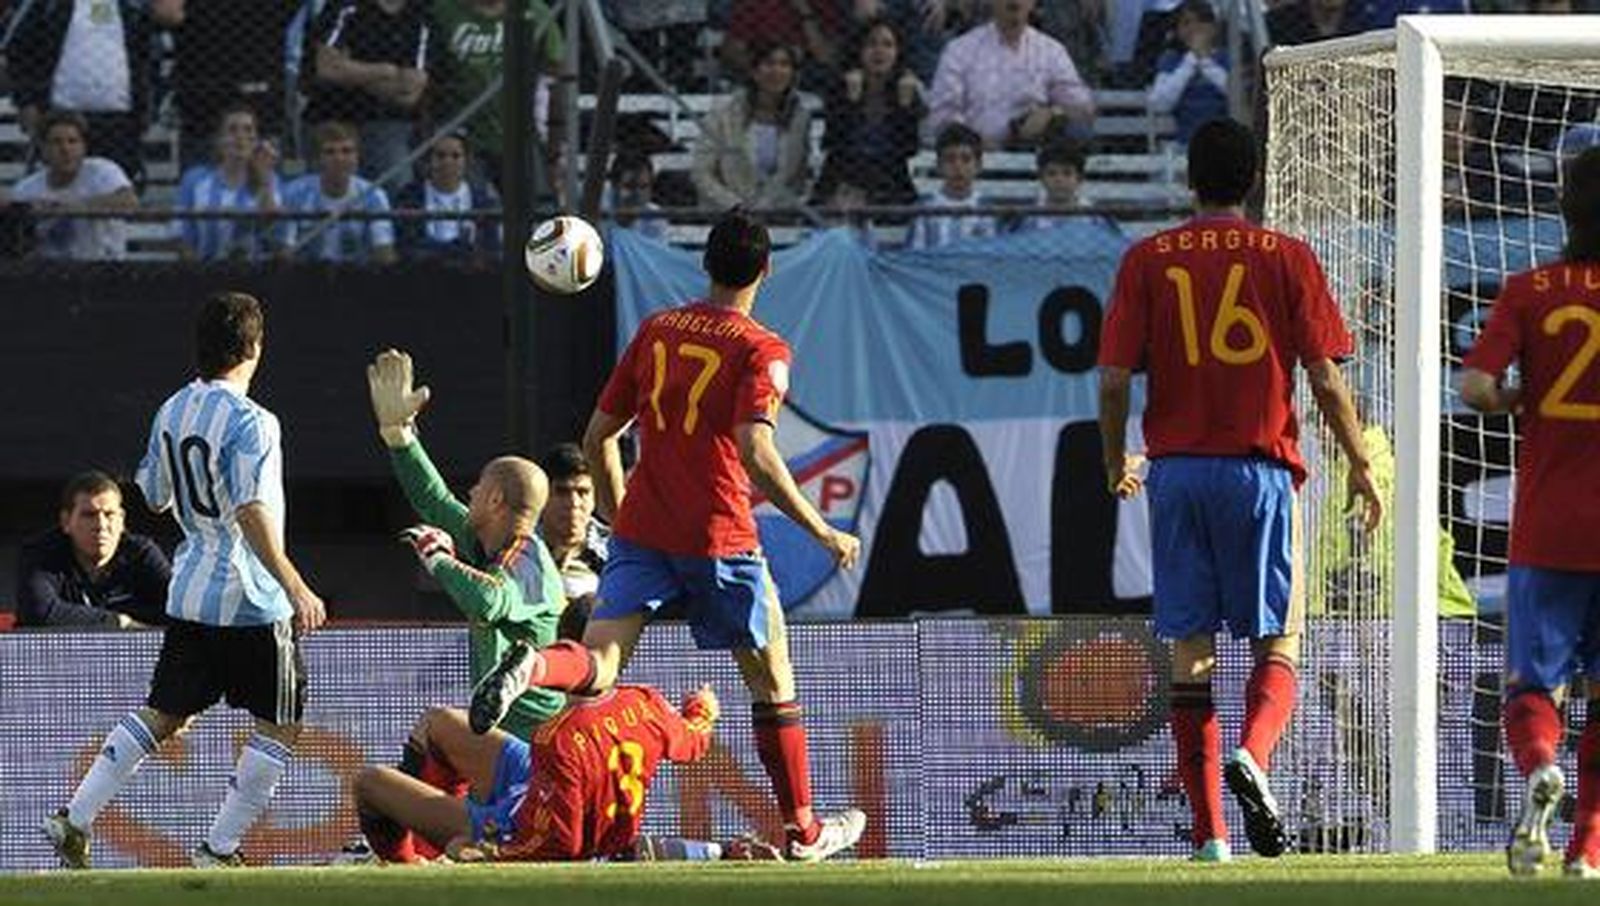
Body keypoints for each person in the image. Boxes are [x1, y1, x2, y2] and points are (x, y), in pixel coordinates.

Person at [470, 211, 868, 862]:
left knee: (598, 664)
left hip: (643, 531)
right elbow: (754, 448)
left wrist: (626, 515)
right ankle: (803, 830)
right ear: (766, 271)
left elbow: (600, 437)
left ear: (704, 264)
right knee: (773, 683)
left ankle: (532, 665)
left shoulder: (656, 331)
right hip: (717, 534)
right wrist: (823, 530)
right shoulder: (761, 349)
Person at [1096, 118, 1382, 863]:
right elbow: (1323, 376)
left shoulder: (1146, 259)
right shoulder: (1286, 256)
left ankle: (1210, 837)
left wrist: (1111, 460)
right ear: (1254, 178)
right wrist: (1357, 461)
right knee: (1279, 636)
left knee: (1190, 654)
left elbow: (1113, 379)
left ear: (1189, 180)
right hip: (1260, 473)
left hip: (1179, 473)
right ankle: (1254, 754)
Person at [43, 291, 327, 870]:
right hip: (251, 596)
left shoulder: (172, 410)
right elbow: (251, 510)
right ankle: (219, 849)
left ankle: (74, 817)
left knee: (165, 712)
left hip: (190, 589)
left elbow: (152, 494)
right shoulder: (255, 421)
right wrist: (295, 585)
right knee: (282, 724)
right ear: (254, 347)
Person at [1460, 147, 1600, 878]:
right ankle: (1586, 850)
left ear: (1564, 209)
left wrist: (1518, 400)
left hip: (1548, 523)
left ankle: (1541, 764)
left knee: (1533, 686)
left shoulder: (1530, 289)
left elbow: (1476, 386)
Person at [366, 348, 569, 743]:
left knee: (433, 735)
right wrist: (398, 436)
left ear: (495, 501)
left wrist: (438, 558)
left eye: (480, 487)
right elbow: (434, 501)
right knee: (434, 739)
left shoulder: (531, 560)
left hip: (539, 740)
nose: (471, 491)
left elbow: (489, 600)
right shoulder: (492, 540)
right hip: (503, 732)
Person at [347, 597, 590, 864]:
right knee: (437, 722)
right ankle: (426, 848)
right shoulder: (631, 699)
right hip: (536, 772)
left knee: (369, 784)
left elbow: (488, 599)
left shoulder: (529, 567)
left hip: (525, 816)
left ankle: (410, 870)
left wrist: (437, 557)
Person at [3, 0, 184, 190]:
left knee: (118, 186)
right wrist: (27, 101)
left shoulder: (134, 6)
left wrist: (149, 104)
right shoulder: (48, 4)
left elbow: (153, 54)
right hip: (63, 117)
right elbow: (17, 50)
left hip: (120, 120)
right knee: (57, 186)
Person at [925, 0, 1095, 149]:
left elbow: (1083, 107)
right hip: (974, 161)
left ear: (1034, 2)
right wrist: (975, 142)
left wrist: (1052, 113)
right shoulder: (960, 50)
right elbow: (943, 114)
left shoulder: (1051, 51)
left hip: (1035, 161)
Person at [301, 0, 437, 180]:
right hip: (333, 114)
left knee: (397, 179)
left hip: (388, 119)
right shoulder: (345, 6)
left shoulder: (420, 15)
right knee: (333, 181)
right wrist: (385, 71)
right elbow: (327, 67)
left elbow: (409, 93)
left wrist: (350, 70)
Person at [17, 471, 171, 629]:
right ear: (66, 522)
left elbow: (176, 610)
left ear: (121, 520)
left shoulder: (141, 553)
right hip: (60, 652)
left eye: (109, 514)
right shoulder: (41, 553)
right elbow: (38, 612)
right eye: (89, 515)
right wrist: (117, 621)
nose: (100, 525)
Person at [690, 42, 813, 212]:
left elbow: (797, 178)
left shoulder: (800, 119)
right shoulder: (723, 113)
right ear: (754, 72)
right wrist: (736, 205)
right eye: (769, 63)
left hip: (778, 212)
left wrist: (775, 206)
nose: (776, 71)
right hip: (726, 211)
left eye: (784, 64)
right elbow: (701, 173)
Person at [818, 16, 926, 208]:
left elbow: (909, 148)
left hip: (890, 184)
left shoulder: (906, 89)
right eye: (871, 44)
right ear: (858, 50)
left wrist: (905, 107)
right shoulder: (839, 88)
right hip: (844, 180)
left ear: (898, 52)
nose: (879, 51)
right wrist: (851, 102)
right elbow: (833, 144)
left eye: (888, 45)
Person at [7, 110, 137, 261]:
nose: (65, 149)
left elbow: (129, 202)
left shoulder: (102, 171)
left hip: (102, 268)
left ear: (83, 146)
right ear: (43, 148)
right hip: (46, 273)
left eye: (73, 141)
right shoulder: (26, 188)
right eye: (56, 142)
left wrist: (71, 208)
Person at [173, 104, 283, 262]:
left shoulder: (269, 178)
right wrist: (198, 270)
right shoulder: (194, 179)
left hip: (253, 272)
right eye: (232, 130)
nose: (241, 136)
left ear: (257, 140)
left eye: (248, 130)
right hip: (203, 268)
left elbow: (271, 226)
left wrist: (265, 177)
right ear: (218, 140)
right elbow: (180, 234)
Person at [278, 120, 397, 264]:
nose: (339, 159)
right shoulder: (294, 192)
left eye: (347, 151)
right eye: (330, 152)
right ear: (317, 160)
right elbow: (285, 252)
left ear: (357, 158)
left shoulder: (374, 195)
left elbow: (384, 253)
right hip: (306, 274)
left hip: (357, 274)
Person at [392, 132, 502, 261]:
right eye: (440, 156)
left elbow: (490, 249)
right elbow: (407, 246)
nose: (447, 162)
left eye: (455, 156)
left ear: (466, 161)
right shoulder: (409, 197)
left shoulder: (483, 201)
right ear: (429, 160)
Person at [1147, 0, 1229, 147]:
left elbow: (1235, 93)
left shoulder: (1226, 58)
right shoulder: (1172, 59)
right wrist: (1190, 61)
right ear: (1177, 30)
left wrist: (1205, 62)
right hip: (1185, 142)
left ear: (1215, 27)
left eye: (1202, 21)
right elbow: (1160, 103)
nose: (1194, 28)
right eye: (1186, 23)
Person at [906, 123, 997, 250]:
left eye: (966, 159)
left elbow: (991, 255)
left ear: (978, 166)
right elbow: (915, 255)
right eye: (950, 159)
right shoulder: (925, 207)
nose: (958, 167)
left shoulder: (986, 208)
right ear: (938, 166)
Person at [536, 443, 609, 602]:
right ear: (542, 495)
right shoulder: (518, 547)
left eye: (583, 492)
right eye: (562, 492)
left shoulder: (617, 550)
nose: (573, 503)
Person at [603, 150, 670, 242]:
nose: (638, 194)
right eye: (630, 186)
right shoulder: (596, 212)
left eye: (644, 186)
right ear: (614, 186)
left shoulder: (656, 219)